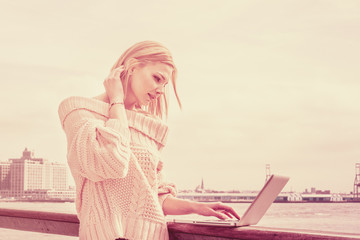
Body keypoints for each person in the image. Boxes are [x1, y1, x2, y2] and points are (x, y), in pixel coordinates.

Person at [58, 40, 240, 240]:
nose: (161, 90)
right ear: (132, 67)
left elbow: (152, 196)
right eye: (157, 78)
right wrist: (117, 102)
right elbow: (112, 164)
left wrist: (198, 207)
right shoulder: (79, 113)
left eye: (165, 84)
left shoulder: (149, 125)